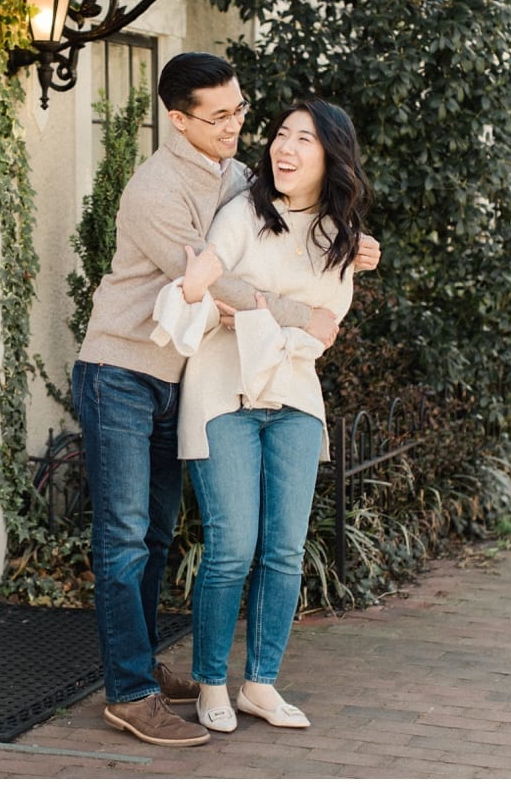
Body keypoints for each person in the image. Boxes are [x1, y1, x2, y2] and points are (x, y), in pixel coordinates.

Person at [72, 54, 342, 748]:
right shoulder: (155, 190)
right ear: (178, 119)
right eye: (218, 115)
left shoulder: (234, 176)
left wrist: (357, 242)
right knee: (126, 536)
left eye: (239, 109)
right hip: (123, 370)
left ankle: (143, 666)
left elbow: (287, 223)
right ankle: (129, 691)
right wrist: (299, 314)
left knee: (157, 535)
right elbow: (216, 283)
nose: (236, 125)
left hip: (177, 377)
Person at [151, 99, 378, 734]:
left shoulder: (340, 240)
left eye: (303, 140)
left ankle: (261, 683)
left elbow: (325, 332)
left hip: (297, 403)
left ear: (330, 155)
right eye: (281, 135)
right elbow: (206, 280)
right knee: (232, 548)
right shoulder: (245, 211)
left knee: (284, 550)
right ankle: (211, 682)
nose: (284, 148)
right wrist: (284, 312)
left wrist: (255, 314)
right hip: (223, 394)